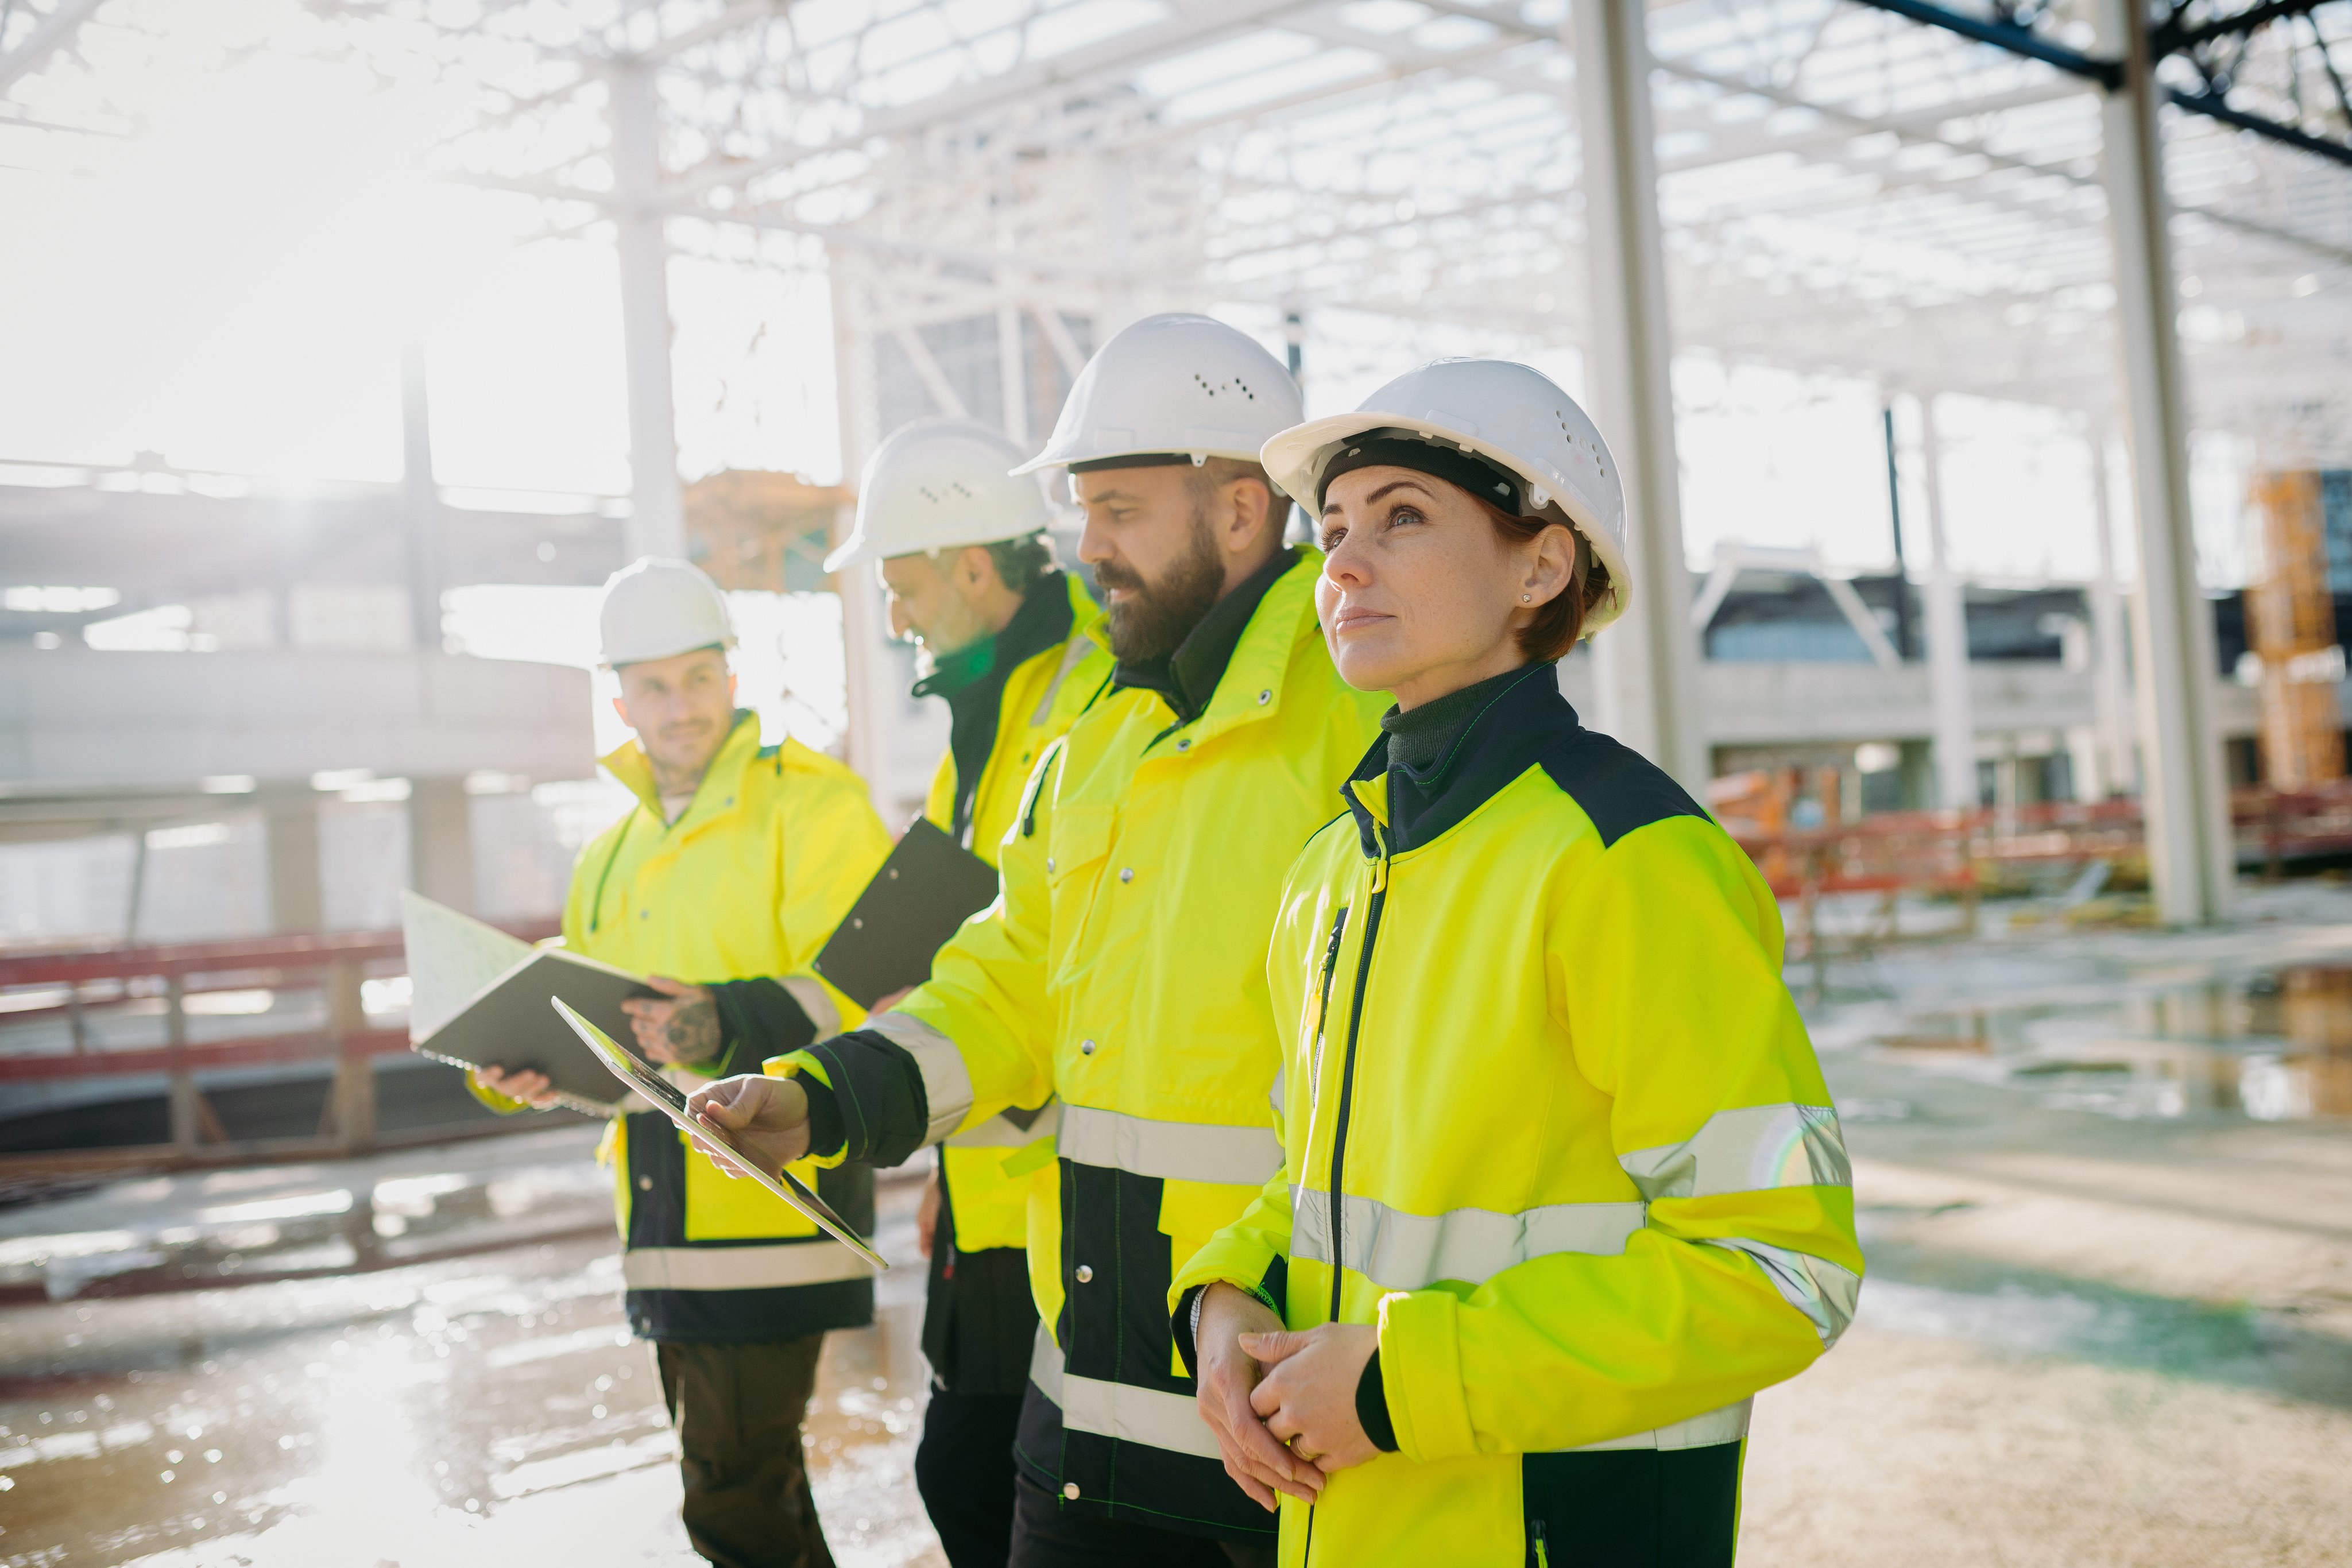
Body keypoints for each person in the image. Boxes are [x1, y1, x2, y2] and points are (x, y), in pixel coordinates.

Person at [684, 313, 1389, 1566]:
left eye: (1116, 509)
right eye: (1084, 512)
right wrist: (822, 1099)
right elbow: (1006, 984)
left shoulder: (1363, 721)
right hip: (1085, 1410)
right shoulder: (1101, 740)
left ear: (1238, 514)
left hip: (1273, 1407)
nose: (1086, 549)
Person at [1162, 359, 1864, 1566]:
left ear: (1540, 567)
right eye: (1331, 529)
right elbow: (1324, 1178)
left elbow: (1780, 1266)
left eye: (1402, 518)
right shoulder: (1333, 868)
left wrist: (1398, 1384)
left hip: (1556, 1530)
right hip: (1358, 1529)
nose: (1341, 561)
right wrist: (1224, 1302)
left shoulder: (1627, 857)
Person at [474, 557, 891, 1568]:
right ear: (620, 699)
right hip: (661, 1215)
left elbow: (876, 984)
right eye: (654, 686)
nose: (681, 705)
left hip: (771, 1201)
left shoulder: (811, 803)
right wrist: (523, 1068)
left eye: (698, 678)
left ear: (730, 678)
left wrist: (722, 1024)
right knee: (750, 1494)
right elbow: (604, 1039)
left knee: (734, 1502)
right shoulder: (609, 851)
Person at [823, 417, 1114, 1567]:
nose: (893, 615)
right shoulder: (981, 721)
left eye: (899, 585)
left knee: (998, 1484)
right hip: (985, 1173)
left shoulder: (1093, 698)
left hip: (1061, 1188)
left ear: (976, 569)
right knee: (965, 1474)